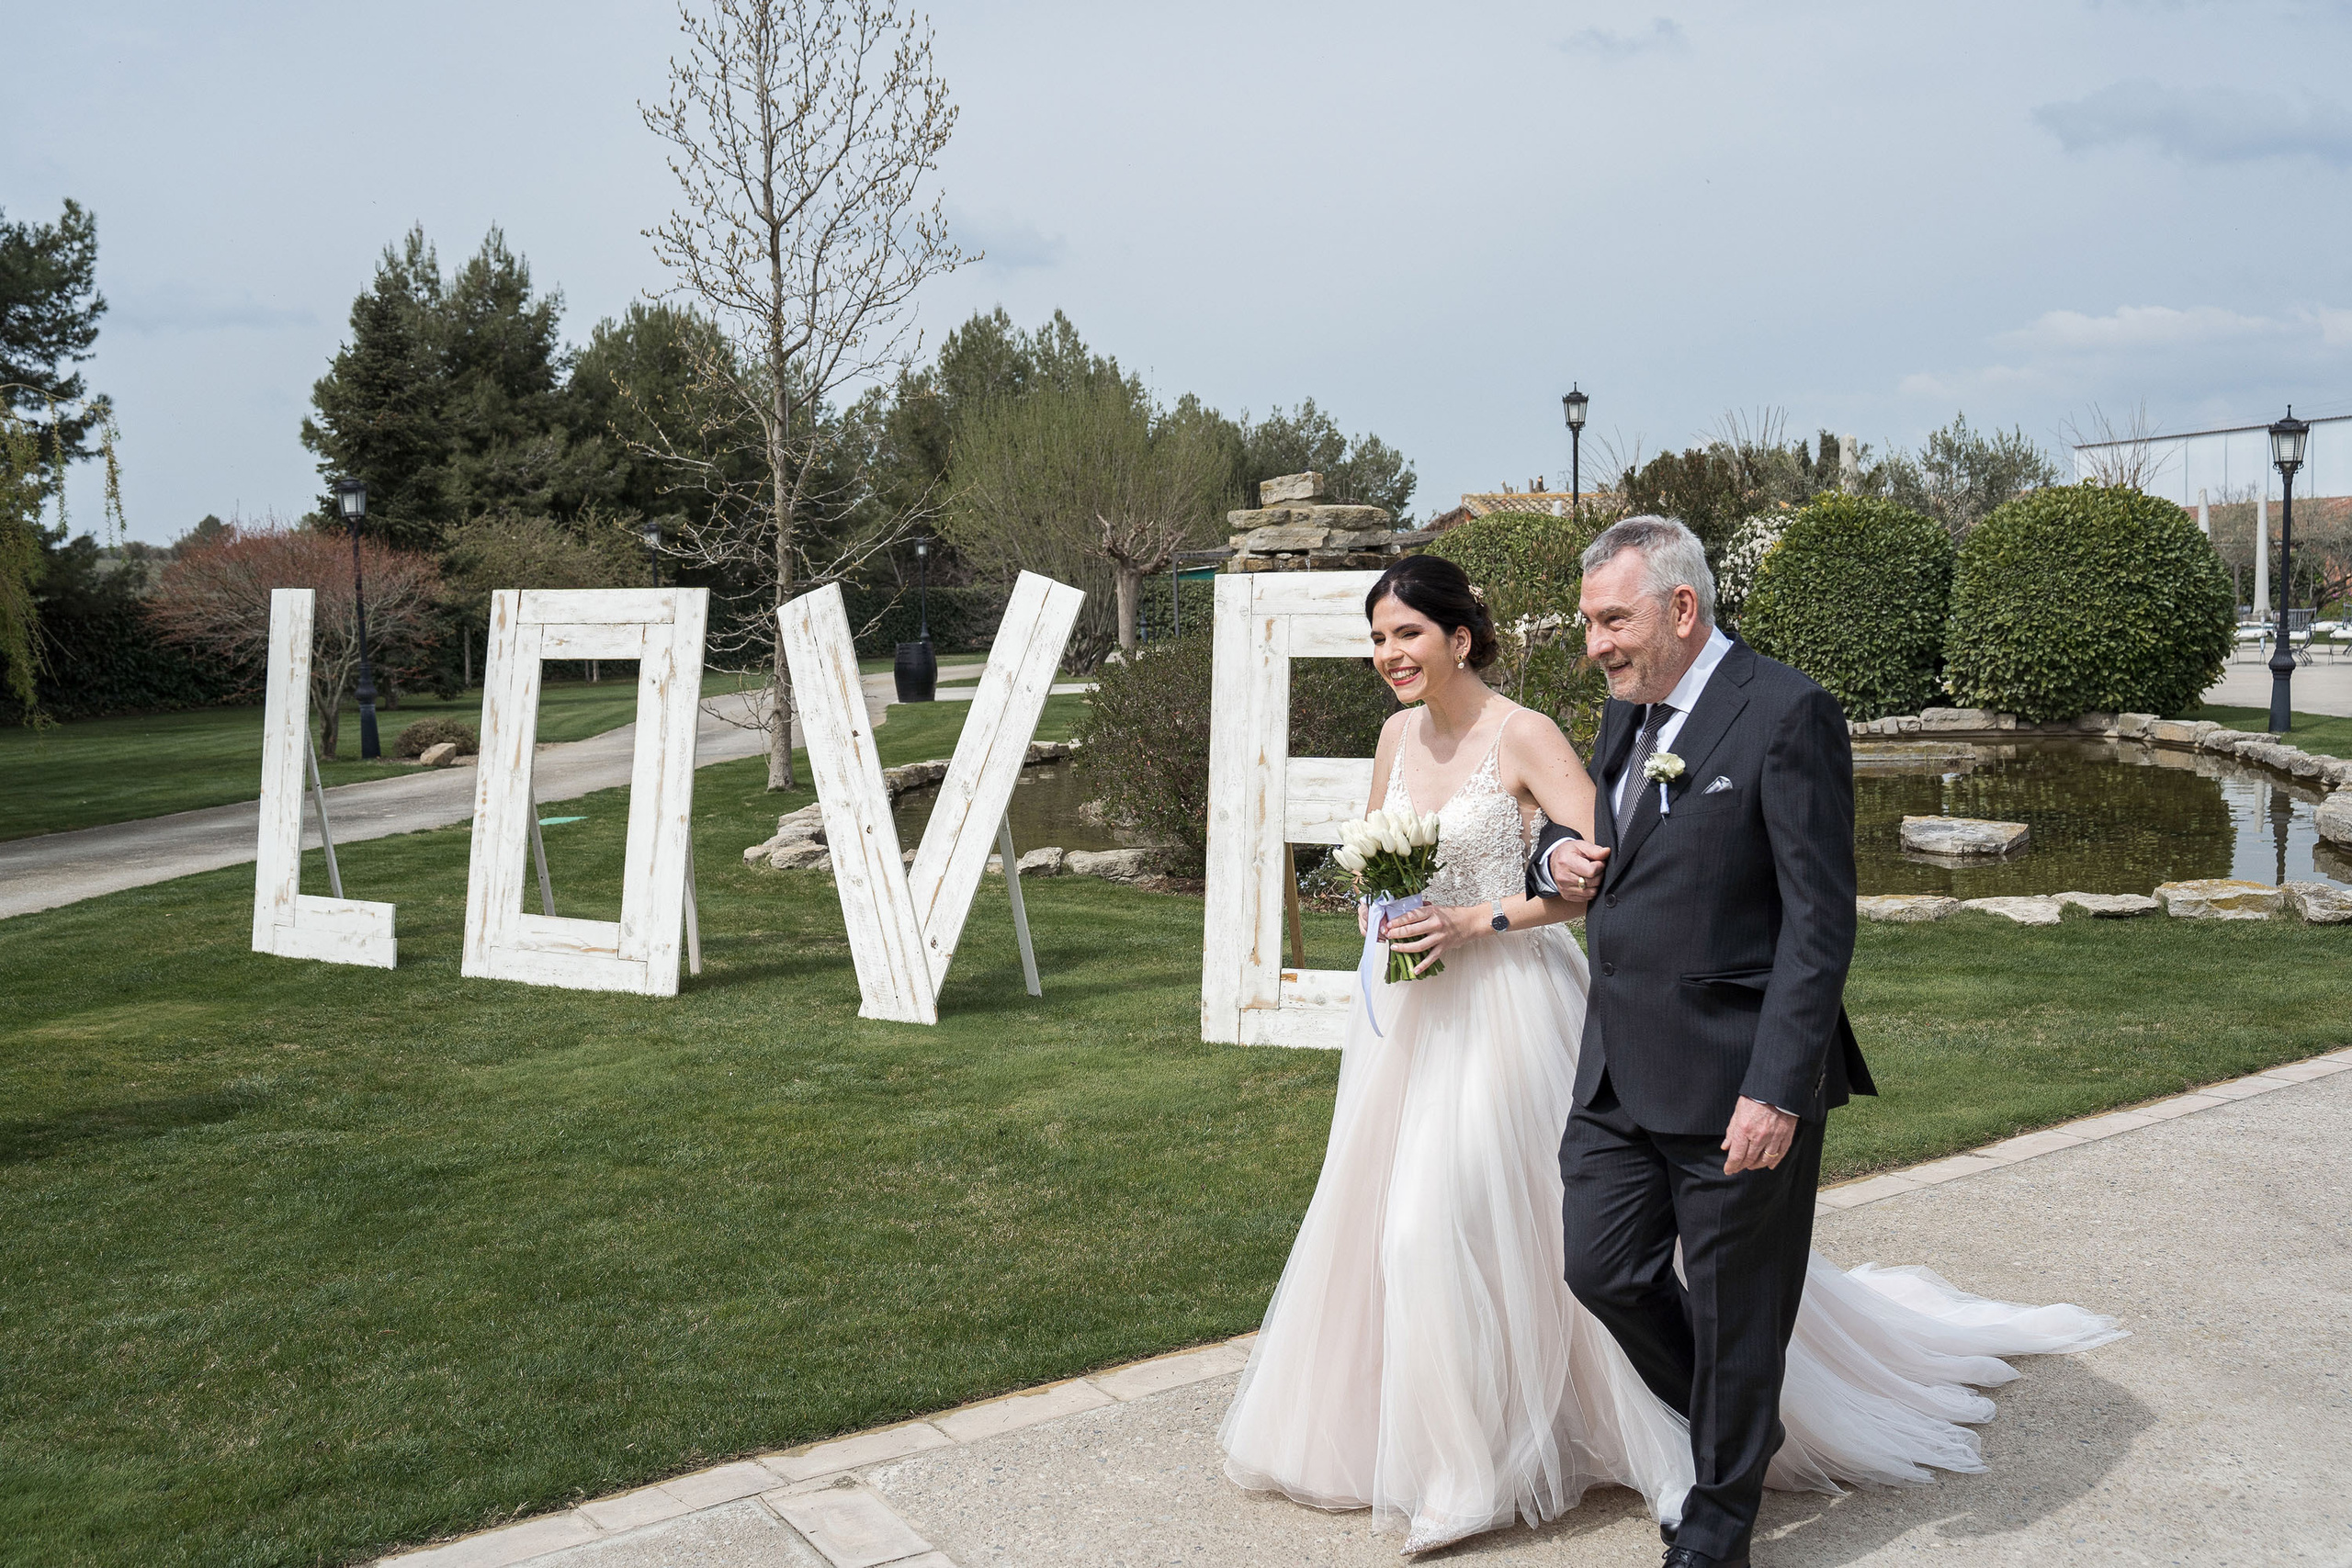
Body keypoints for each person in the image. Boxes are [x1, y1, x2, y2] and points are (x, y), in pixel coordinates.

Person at [1216, 544, 2121, 1561]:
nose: (1593, 643)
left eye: (1610, 622)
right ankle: (1729, 1417)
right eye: (1590, 622)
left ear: (1679, 607)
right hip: (1600, 1046)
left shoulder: (1785, 712)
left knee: (1734, 1302)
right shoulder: (1624, 716)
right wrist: (1546, 858)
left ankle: (1715, 1516)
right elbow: (1598, 850)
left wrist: (1777, 1086)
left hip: (1722, 1057)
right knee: (1598, 1267)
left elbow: (1818, 925)